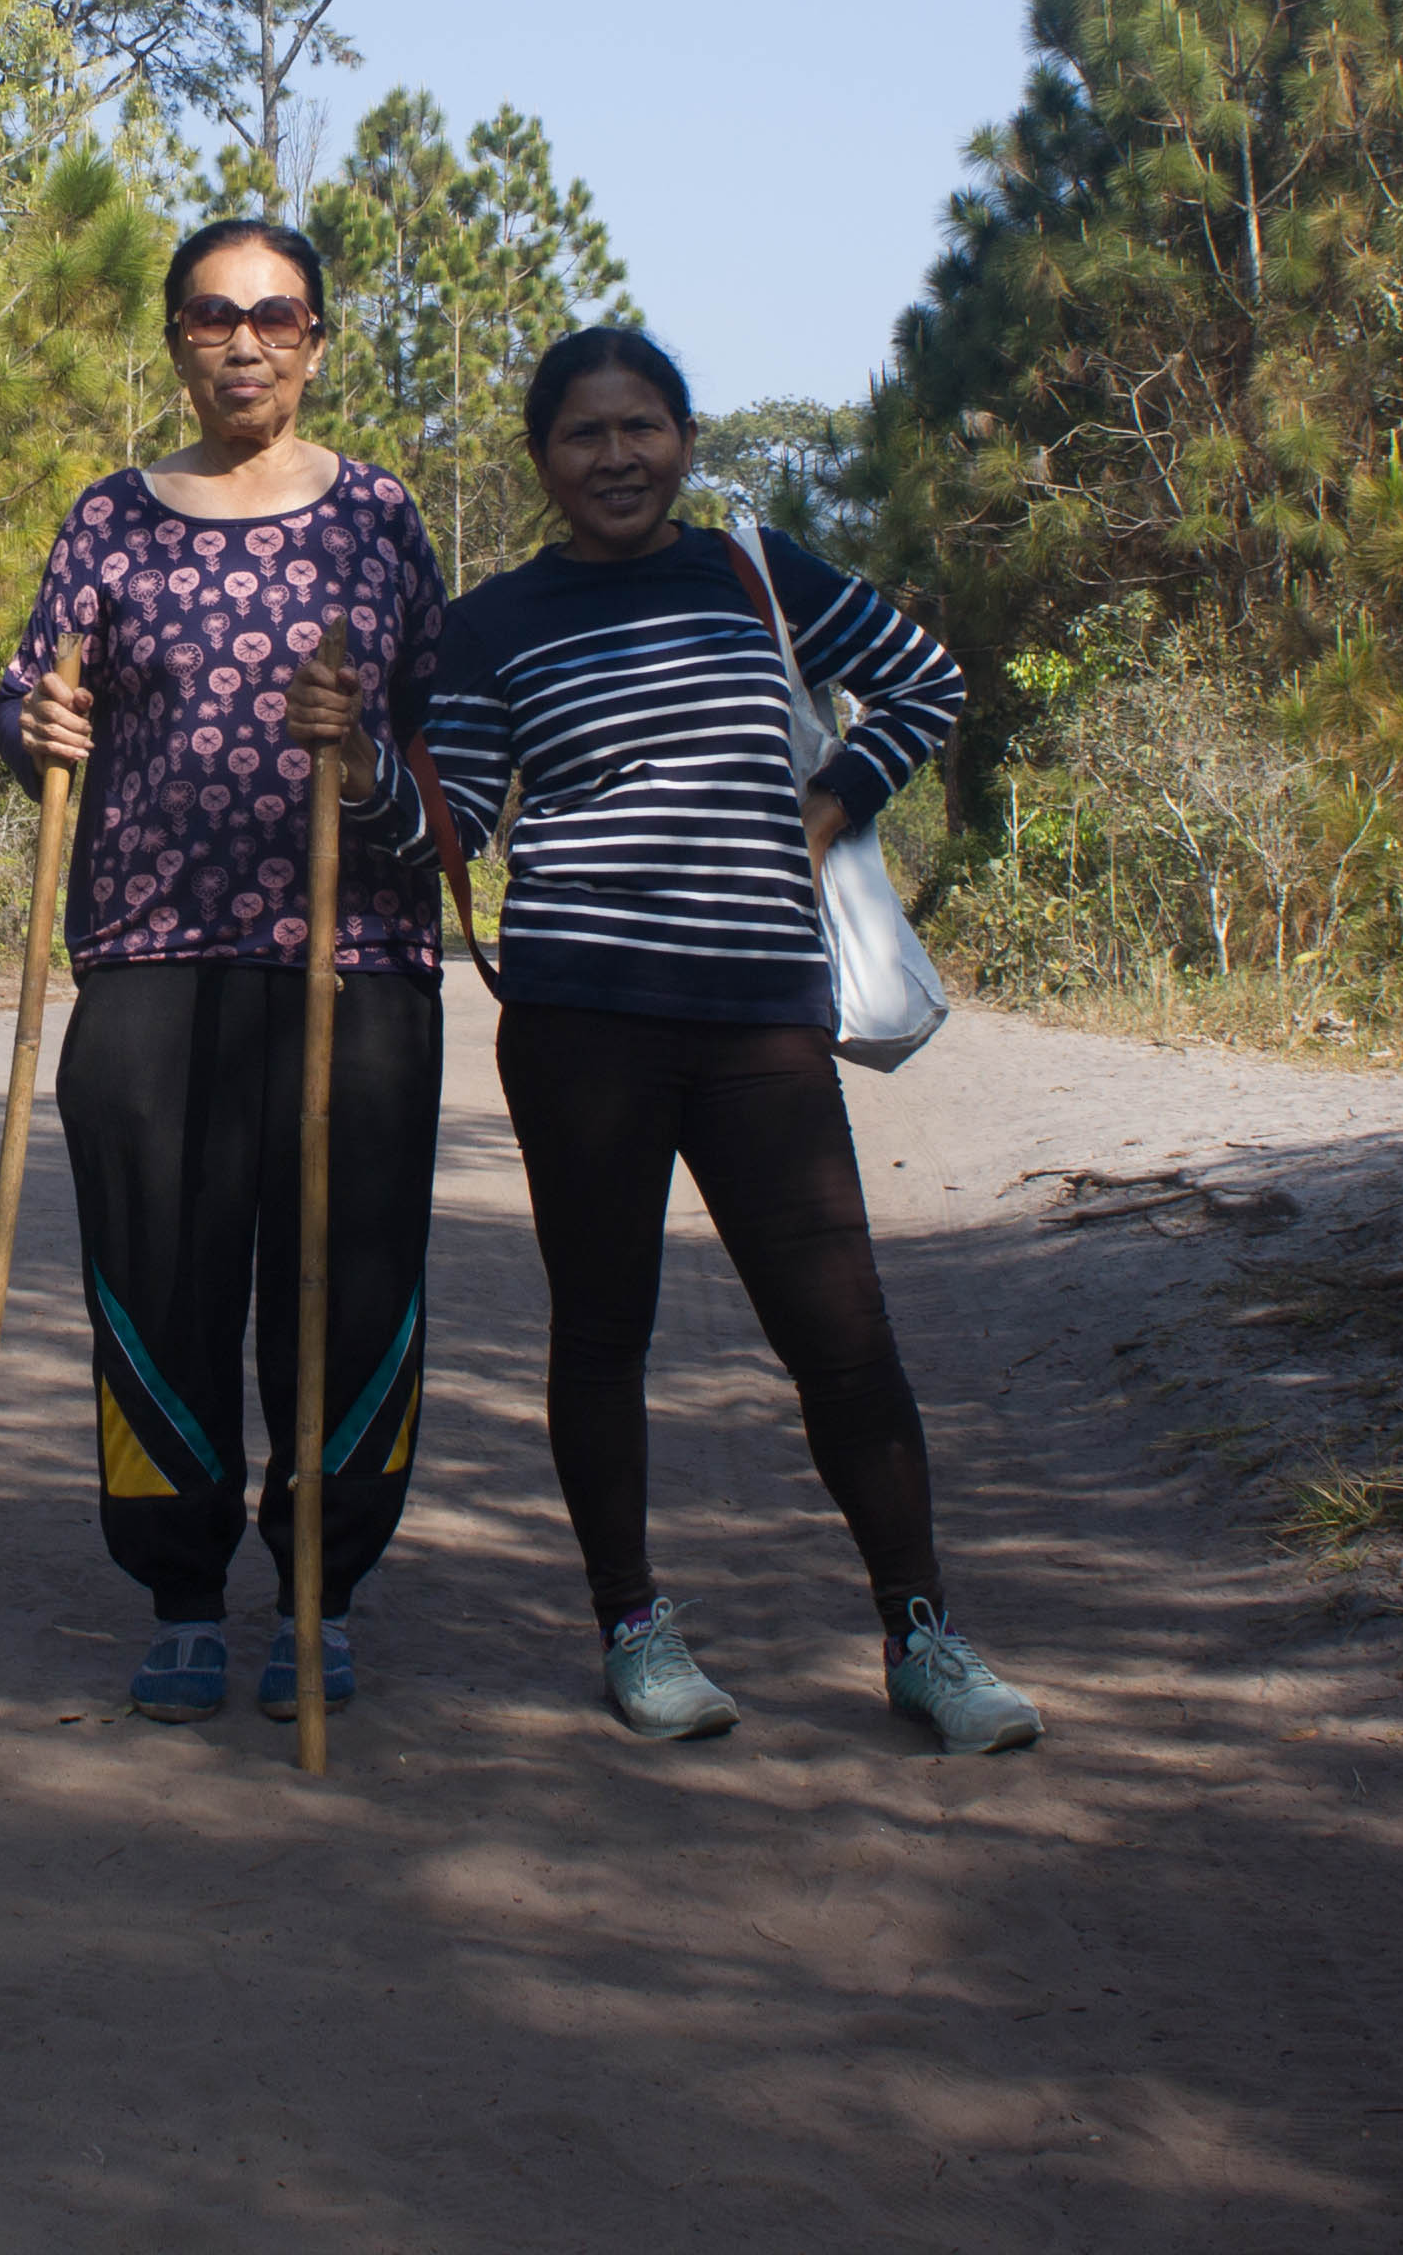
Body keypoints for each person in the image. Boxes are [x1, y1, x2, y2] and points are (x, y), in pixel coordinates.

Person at [411, 324, 1040, 1755]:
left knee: (844, 1339)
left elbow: (926, 682)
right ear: (542, 461)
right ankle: (635, 1628)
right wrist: (362, 764)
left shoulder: (757, 574)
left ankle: (924, 1637)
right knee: (603, 1331)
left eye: (642, 428)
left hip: (761, 1016)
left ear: (686, 442)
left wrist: (828, 805)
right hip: (580, 1025)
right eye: (584, 433)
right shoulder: (492, 622)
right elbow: (453, 813)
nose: (616, 456)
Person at [0, 219, 445, 1727]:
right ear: (175, 339)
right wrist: (32, 727)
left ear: (317, 341)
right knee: (157, 1271)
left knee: (348, 1280)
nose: (245, 342)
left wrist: (364, 759)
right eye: (211, 316)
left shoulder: (380, 518)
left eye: (278, 317)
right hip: (149, 955)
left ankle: (326, 1580)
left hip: (354, 957)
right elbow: (36, 689)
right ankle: (183, 1585)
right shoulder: (109, 519)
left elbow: (446, 754)